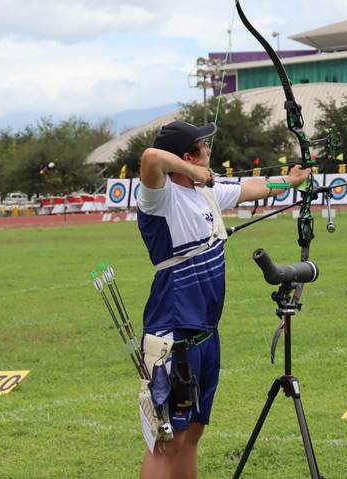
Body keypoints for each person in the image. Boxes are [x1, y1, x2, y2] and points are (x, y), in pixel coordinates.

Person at [135, 120, 310, 479]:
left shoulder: (206, 193)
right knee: (167, 439)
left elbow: (253, 186)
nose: (210, 151)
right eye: (204, 146)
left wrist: (290, 181)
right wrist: (196, 172)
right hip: (174, 335)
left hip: (206, 336)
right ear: (188, 156)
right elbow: (152, 157)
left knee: (193, 433)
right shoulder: (160, 198)